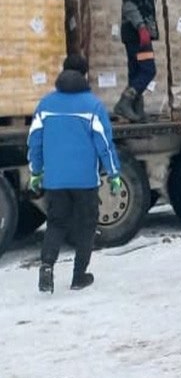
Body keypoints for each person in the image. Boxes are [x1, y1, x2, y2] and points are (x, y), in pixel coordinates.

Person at [28, 55, 124, 293]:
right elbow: (105, 144)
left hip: (55, 180)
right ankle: (79, 275)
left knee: (56, 223)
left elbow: (35, 142)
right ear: (84, 74)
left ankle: (47, 266)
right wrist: (113, 174)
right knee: (86, 225)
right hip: (85, 181)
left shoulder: (46, 105)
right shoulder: (93, 105)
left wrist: (35, 172)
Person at [116, 0, 159, 122]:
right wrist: (141, 27)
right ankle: (125, 102)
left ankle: (137, 112)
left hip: (134, 33)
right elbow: (130, 6)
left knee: (135, 72)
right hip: (137, 35)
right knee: (148, 70)